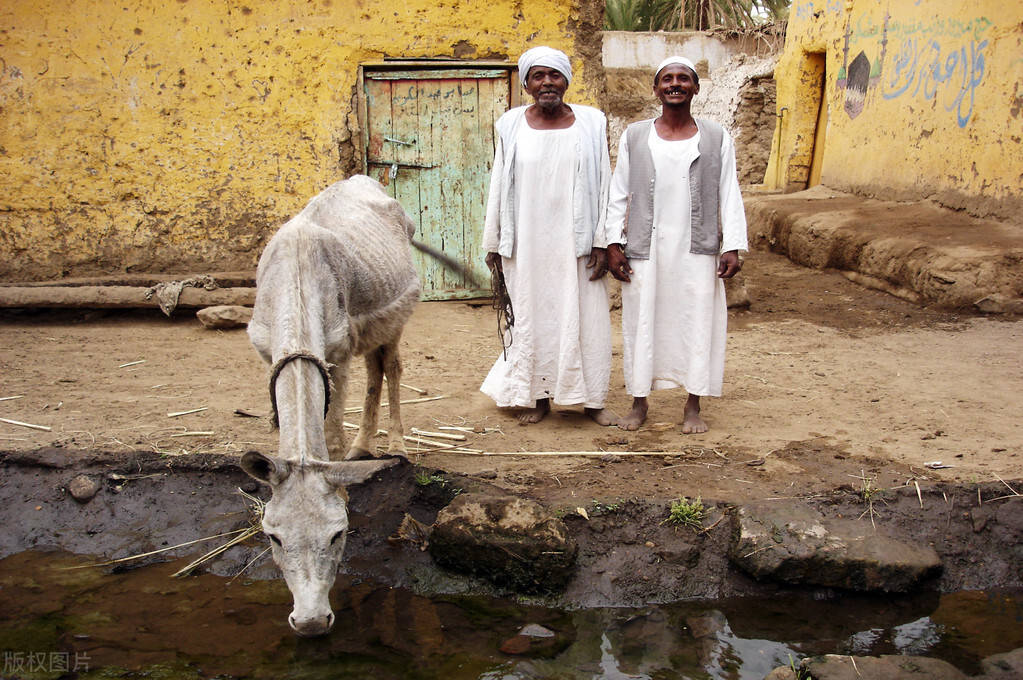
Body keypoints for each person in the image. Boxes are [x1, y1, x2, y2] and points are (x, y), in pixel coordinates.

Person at [605, 56, 748, 434]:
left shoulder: (716, 137)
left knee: (697, 321)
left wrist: (732, 244)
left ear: (695, 88)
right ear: (655, 89)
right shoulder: (635, 135)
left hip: (696, 249)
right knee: (642, 321)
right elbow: (617, 193)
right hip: (645, 249)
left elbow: (729, 192)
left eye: (684, 79)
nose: (675, 84)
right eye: (666, 79)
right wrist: (612, 244)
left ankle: (693, 406)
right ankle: (639, 403)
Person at [480, 46, 616, 426]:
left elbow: (604, 182)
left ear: (566, 80)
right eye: (538, 76)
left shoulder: (592, 121)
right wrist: (494, 241)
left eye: (554, 75)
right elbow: (499, 183)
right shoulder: (510, 124)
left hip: (578, 241)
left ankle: (592, 402)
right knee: (530, 316)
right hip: (527, 241)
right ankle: (537, 398)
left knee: (586, 318)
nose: (547, 83)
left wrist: (603, 240)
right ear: (526, 83)